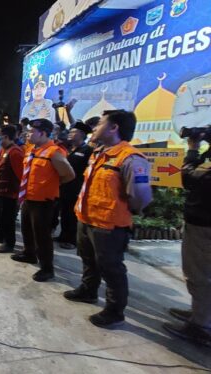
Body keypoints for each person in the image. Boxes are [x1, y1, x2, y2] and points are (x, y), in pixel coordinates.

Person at [64, 110, 152, 328]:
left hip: (110, 225)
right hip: (86, 218)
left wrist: (124, 212)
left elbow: (141, 197)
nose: (94, 128)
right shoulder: (99, 153)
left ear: (114, 128)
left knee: (111, 269)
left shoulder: (130, 158)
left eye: (100, 123)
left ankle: (114, 311)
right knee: (88, 259)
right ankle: (88, 291)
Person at [163, 130, 211, 346]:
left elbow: (189, 178)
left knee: (199, 274)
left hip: (205, 227)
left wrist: (192, 148)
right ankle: (199, 313)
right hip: (201, 223)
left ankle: (200, 326)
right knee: (200, 273)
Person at [11, 118, 75, 282]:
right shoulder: (32, 149)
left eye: (32, 131)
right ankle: (29, 254)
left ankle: (47, 268)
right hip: (29, 197)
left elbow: (69, 175)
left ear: (43, 133)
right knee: (27, 228)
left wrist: (52, 184)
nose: (28, 133)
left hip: (43, 201)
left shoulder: (54, 152)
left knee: (42, 235)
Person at [0, 125, 24, 253]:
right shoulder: (4, 150)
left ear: (6, 137)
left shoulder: (15, 152)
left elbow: (20, 175)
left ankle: (9, 243)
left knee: (8, 218)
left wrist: (18, 195)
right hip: (0, 190)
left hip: (10, 193)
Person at [55, 121, 93, 249]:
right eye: (70, 131)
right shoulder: (69, 149)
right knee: (65, 213)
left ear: (82, 134)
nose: (70, 134)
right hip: (65, 186)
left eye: (73, 132)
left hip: (77, 187)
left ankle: (71, 240)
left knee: (72, 215)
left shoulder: (88, 150)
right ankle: (63, 235)